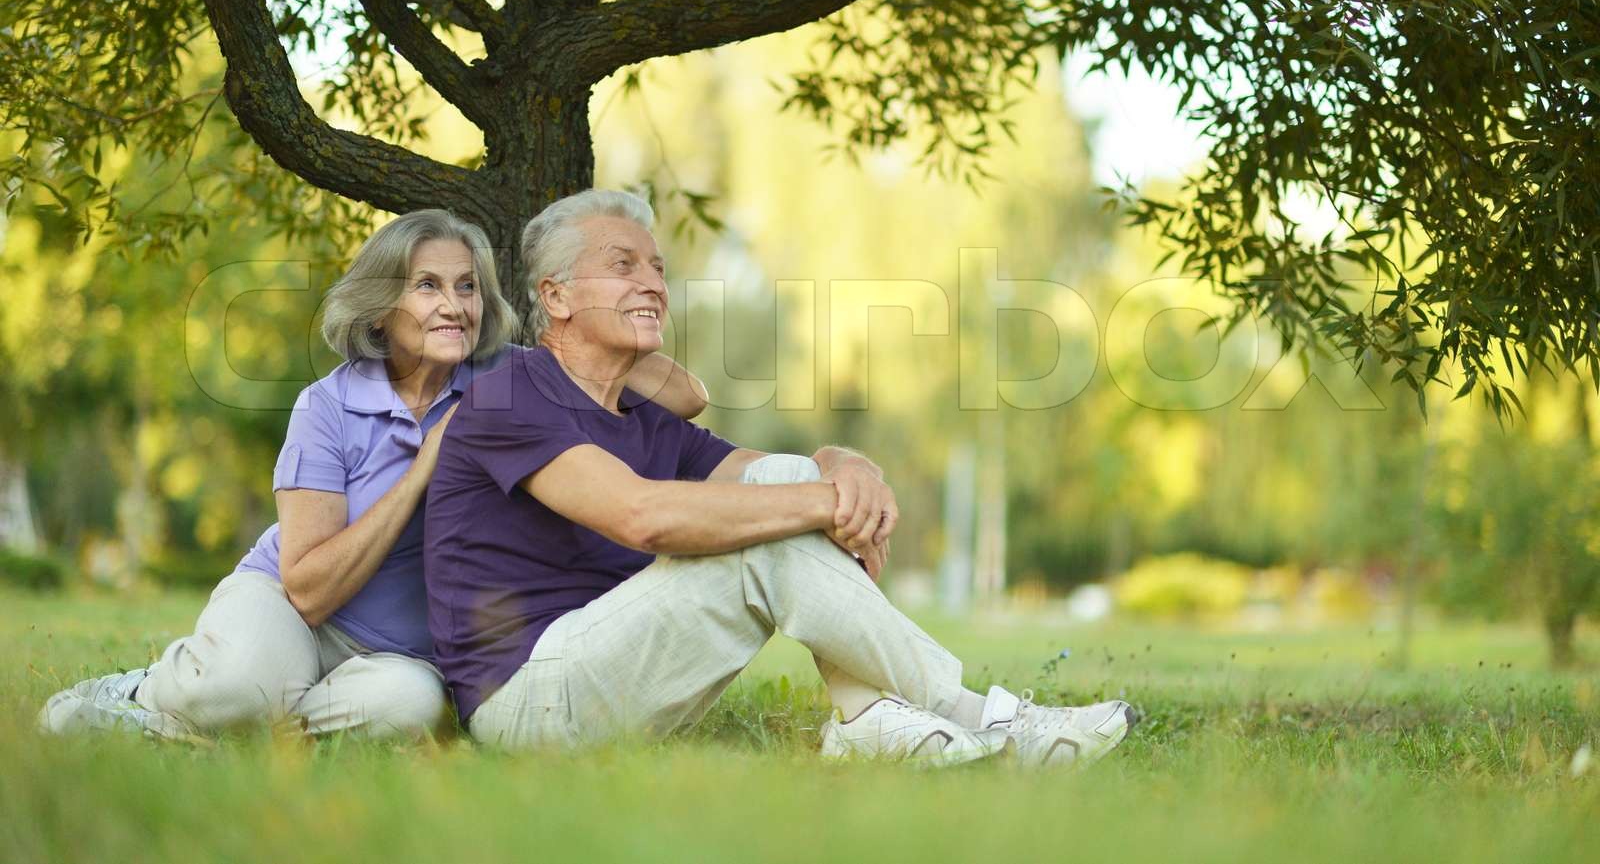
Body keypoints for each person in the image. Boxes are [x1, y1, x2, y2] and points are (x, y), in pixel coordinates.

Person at [425, 190, 1138, 766]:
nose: (652, 282)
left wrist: (845, 467)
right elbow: (640, 516)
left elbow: (776, 475)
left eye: (658, 268)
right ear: (557, 297)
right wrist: (825, 504)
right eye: (624, 265)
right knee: (782, 513)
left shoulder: (646, 416)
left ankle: (866, 715)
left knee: (789, 481)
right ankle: (989, 718)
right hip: (527, 699)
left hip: (615, 674)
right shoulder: (507, 390)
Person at [39, 209, 708, 740]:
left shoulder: (508, 382)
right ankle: (144, 692)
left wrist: (600, 333)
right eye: (429, 285)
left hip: (399, 656)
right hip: (292, 609)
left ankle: (233, 733)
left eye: (467, 287)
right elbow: (306, 589)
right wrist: (421, 471)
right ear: (382, 306)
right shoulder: (327, 406)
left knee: (409, 711)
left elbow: (687, 397)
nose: (455, 305)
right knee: (242, 682)